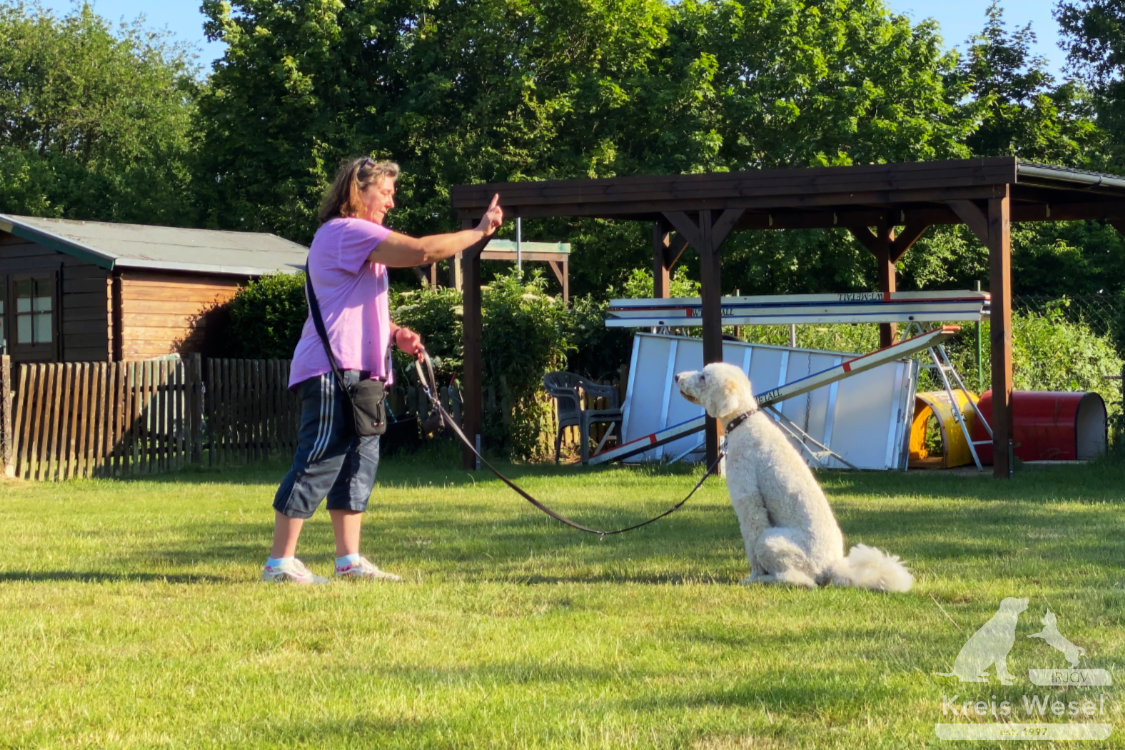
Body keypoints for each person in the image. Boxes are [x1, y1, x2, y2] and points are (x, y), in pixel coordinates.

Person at [262, 157, 502, 583]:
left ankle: (348, 561)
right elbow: (422, 251)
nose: (391, 204)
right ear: (359, 190)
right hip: (333, 370)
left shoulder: (357, 242)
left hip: (364, 373)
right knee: (319, 458)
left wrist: (394, 334)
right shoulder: (344, 232)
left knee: (358, 463)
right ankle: (279, 563)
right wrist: (479, 232)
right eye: (386, 193)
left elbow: (348, 305)